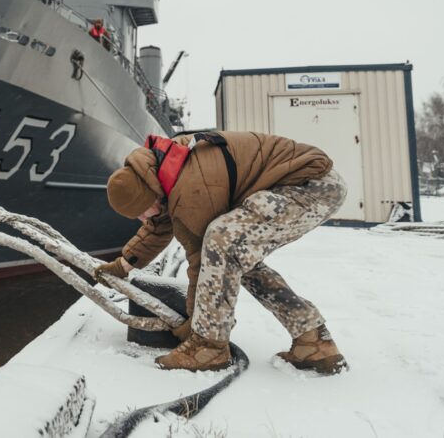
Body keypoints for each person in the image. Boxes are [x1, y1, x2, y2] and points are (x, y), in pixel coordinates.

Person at [98, 131, 349, 374]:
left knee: (221, 240)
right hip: (300, 185)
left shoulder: (191, 185)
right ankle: (312, 340)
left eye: (142, 211)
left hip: (311, 186)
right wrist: (123, 265)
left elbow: (201, 260)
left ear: (150, 194)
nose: (143, 218)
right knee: (236, 255)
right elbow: (159, 226)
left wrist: (196, 326)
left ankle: (209, 347)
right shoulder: (163, 170)